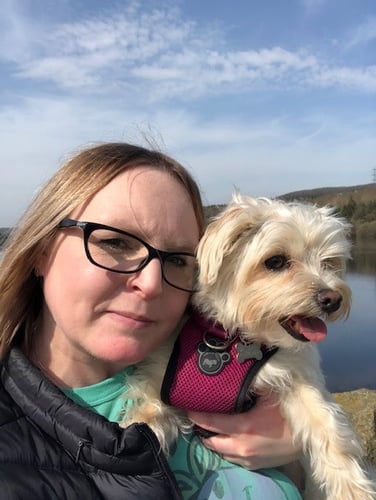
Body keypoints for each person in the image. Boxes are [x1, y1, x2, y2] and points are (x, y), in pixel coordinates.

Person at [0, 142, 302, 499]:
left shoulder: (219, 365)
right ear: (41, 250)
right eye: (115, 242)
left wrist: (297, 450)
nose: (151, 283)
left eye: (177, 260)